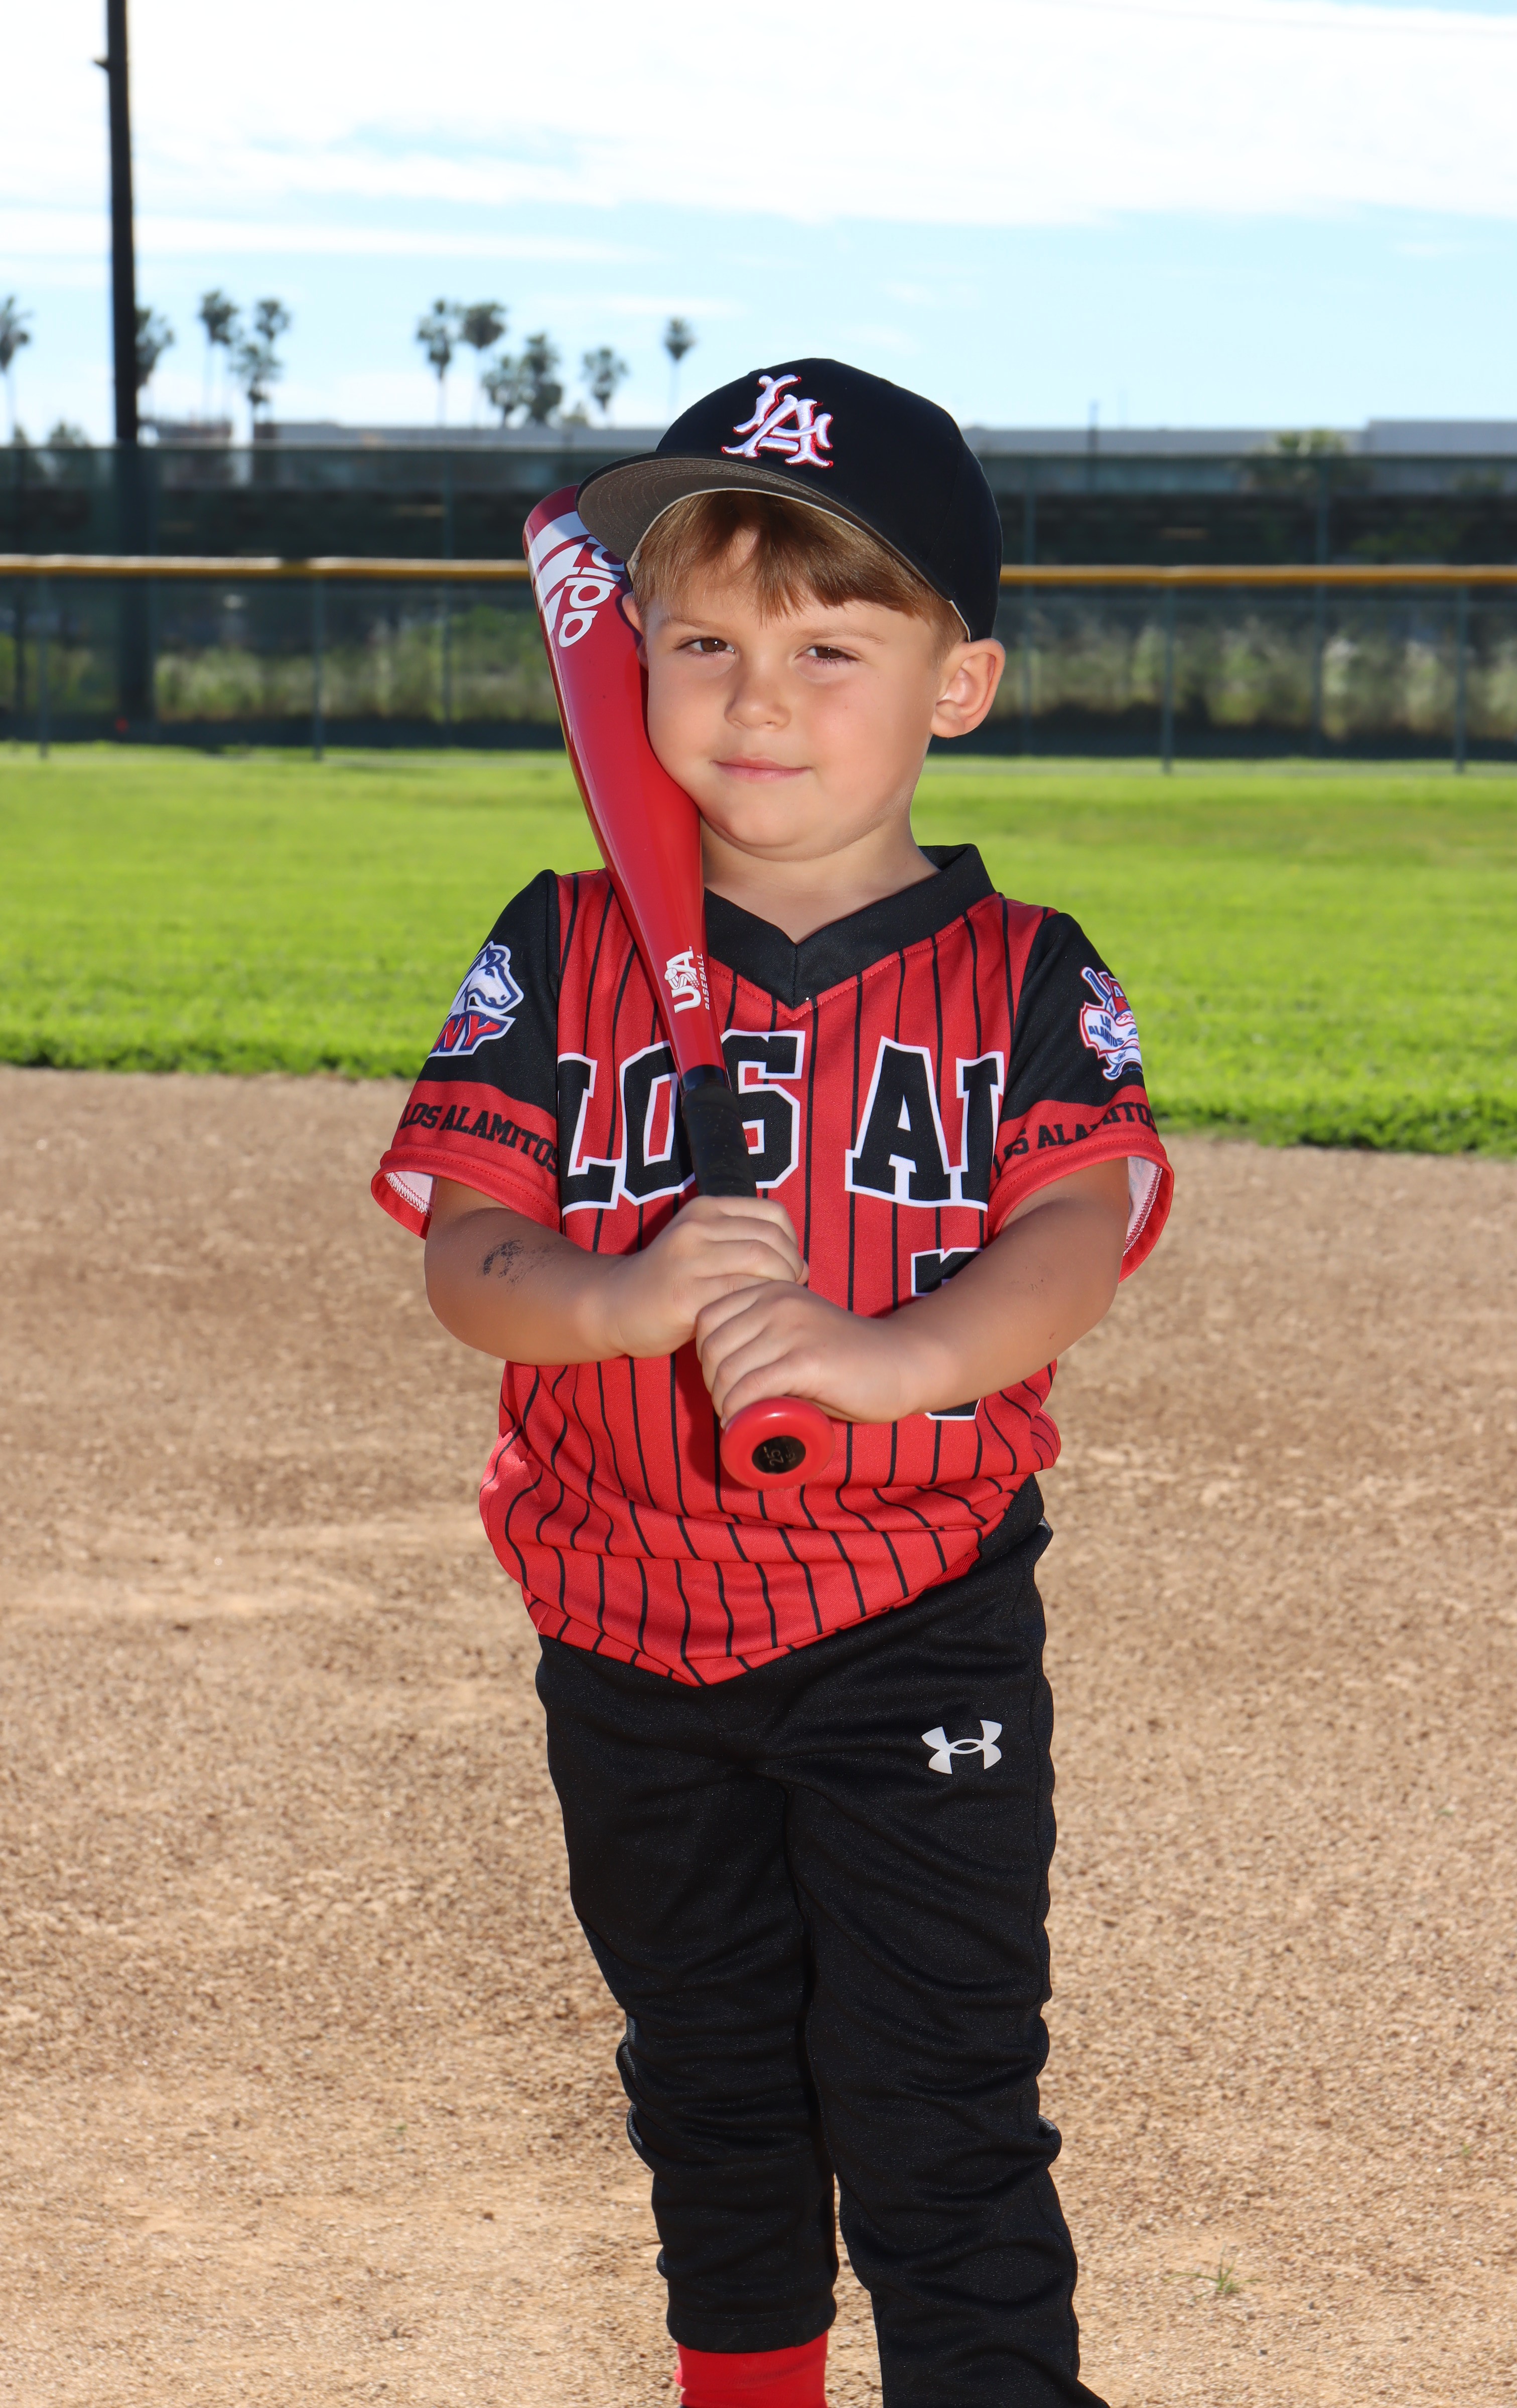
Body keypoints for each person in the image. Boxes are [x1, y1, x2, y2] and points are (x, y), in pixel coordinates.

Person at [372, 359, 1174, 2408]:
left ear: (957, 686)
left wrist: (896, 1355)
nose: (753, 700)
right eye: (702, 643)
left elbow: (1075, 1234)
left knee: (934, 2102)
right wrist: (617, 1300)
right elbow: (468, 1257)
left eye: (829, 649)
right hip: (622, 1628)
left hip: (913, 1623)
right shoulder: (560, 946)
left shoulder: (1025, 971)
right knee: (713, 2087)